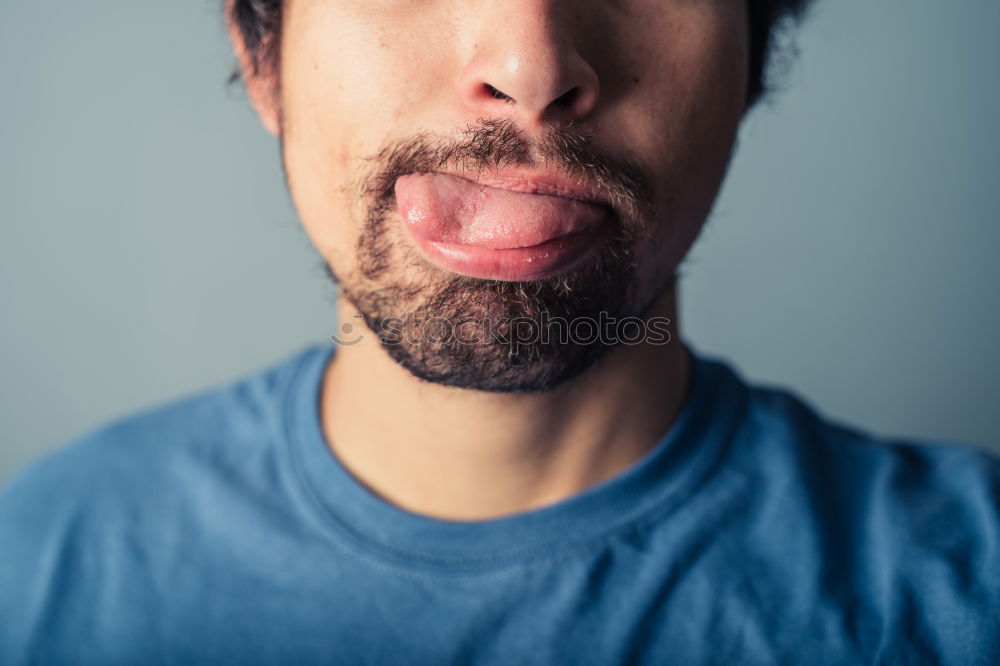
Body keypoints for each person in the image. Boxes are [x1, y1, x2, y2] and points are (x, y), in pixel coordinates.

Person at [1, 0, 997, 663]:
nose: (531, 66)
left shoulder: (967, 596)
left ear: (748, 63)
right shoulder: (41, 569)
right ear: (260, 56)